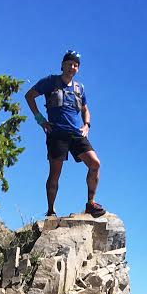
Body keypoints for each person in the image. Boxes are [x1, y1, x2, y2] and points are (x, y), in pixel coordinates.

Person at [25, 50, 106, 218]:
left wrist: (87, 125)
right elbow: (29, 96)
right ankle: (51, 210)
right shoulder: (50, 82)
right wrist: (40, 119)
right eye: (69, 64)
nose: (72, 67)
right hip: (57, 132)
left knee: (95, 163)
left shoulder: (79, 88)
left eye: (75, 65)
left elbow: (85, 109)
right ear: (62, 65)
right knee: (55, 173)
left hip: (76, 133)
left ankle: (91, 203)